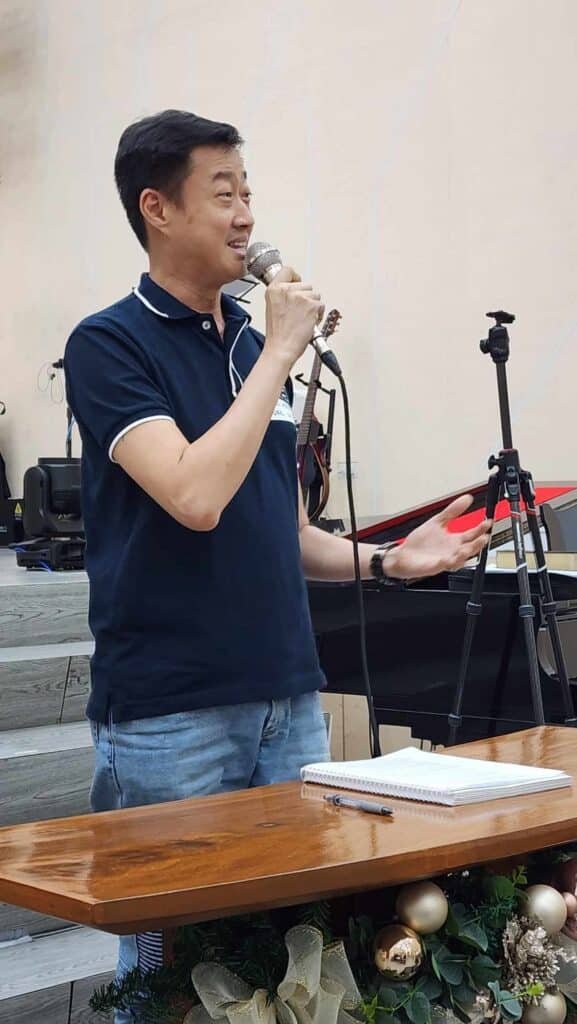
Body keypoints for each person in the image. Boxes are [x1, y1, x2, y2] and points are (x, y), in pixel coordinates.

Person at [64, 109, 491, 1022]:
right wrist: (281, 353)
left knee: (280, 960)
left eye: (249, 191)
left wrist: (386, 563)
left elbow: (282, 532)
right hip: (170, 713)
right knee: (172, 975)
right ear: (158, 209)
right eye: (224, 193)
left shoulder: (260, 352)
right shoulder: (108, 345)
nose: (247, 215)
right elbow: (193, 495)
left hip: (286, 703)